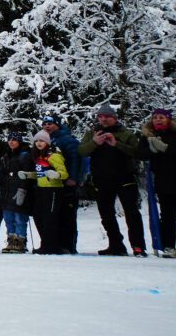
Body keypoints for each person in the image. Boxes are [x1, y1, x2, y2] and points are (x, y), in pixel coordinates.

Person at [78, 103, 146, 256]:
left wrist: (117, 144)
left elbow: (137, 153)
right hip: (102, 179)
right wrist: (95, 142)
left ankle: (138, 246)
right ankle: (116, 245)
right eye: (100, 117)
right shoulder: (92, 133)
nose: (103, 120)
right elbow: (82, 151)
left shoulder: (125, 133)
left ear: (114, 118)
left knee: (132, 213)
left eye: (107, 117)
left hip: (125, 178)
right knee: (106, 215)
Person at [136, 108, 176, 258]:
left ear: (168, 119)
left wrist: (166, 149)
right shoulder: (148, 135)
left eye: (161, 117)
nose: (158, 120)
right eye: (155, 117)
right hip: (164, 181)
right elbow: (139, 153)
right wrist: (152, 151)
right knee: (167, 216)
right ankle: (169, 247)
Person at [42, 113, 86, 253]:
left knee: (68, 215)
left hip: (67, 183)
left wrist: (73, 178)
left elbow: (75, 158)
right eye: (45, 124)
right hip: (53, 184)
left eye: (50, 123)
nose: (47, 126)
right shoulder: (47, 140)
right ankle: (56, 244)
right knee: (55, 214)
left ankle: (68, 245)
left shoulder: (67, 140)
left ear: (57, 125)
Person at [22, 130, 68, 254]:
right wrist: (29, 175)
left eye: (41, 140)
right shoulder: (38, 157)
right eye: (36, 141)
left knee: (50, 218)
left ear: (47, 142)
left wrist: (56, 174)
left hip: (53, 190)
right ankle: (47, 242)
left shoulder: (54, 156)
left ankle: (50, 245)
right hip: (41, 189)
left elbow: (64, 173)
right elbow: (40, 174)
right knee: (38, 216)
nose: (38, 143)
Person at [0, 132, 34, 253]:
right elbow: (2, 172)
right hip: (7, 190)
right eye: (9, 139)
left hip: (18, 189)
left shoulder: (25, 155)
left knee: (19, 217)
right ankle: (11, 240)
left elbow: (26, 172)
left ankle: (20, 241)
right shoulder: (7, 156)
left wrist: (23, 188)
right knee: (8, 217)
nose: (11, 142)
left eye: (14, 140)